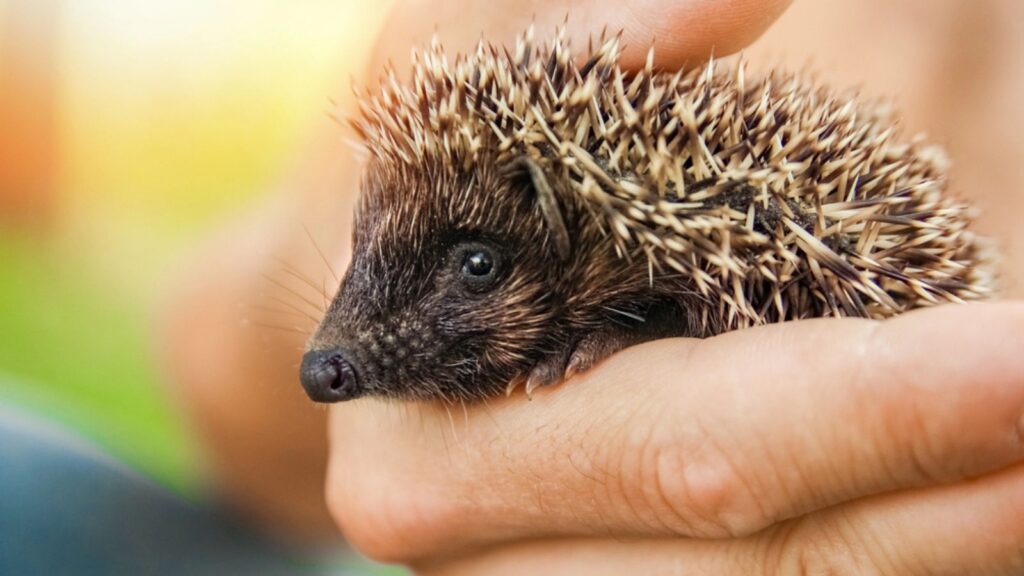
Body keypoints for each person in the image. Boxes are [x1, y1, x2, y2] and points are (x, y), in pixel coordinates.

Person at [159, 0, 1024, 574]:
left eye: (476, 268)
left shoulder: (707, 248)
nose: (329, 365)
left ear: (601, 238)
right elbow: (231, 376)